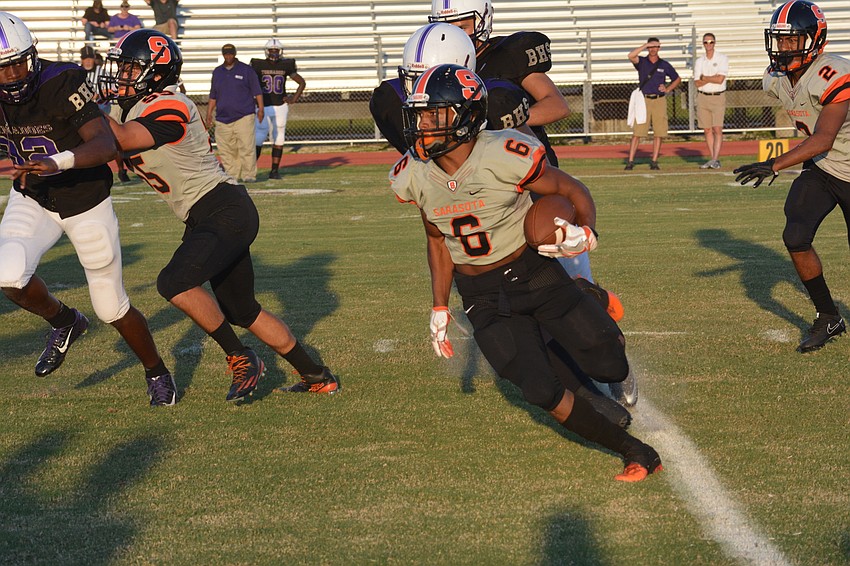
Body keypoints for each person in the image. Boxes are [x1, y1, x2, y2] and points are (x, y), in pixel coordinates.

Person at [390, 64, 662, 481]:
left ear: (465, 115)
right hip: (480, 294)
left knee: (604, 359)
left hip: (534, 272)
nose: (422, 125)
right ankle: (634, 450)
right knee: (539, 389)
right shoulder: (414, 173)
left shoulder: (503, 152)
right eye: (420, 115)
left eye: (434, 115)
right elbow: (435, 237)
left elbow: (571, 190)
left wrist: (586, 231)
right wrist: (440, 305)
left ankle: (598, 313)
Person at [370, 24, 631, 426]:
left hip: (528, 207)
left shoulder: (497, 100)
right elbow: (431, 197)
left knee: (573, 300)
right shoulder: (397, 104)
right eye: (412, 80)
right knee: (528, 343)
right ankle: (587, 400)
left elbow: (536, 157)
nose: (420, 94)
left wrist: (572, 224)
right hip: (475, 232)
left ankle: (602, 326)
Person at [98, 29, 340, 398]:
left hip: (222, 208)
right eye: (123, 68)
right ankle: (318, 377)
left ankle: (240, 356)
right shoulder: (123, 109)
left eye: (131, 68)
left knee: (173, 282)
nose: (122, 76)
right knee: (243, 311)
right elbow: (102, 144)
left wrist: (80, 104)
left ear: (157, 73)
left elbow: (121, 140)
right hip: (206, 215)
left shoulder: (171, 104)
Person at [0, 12, 175, 406]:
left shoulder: (62, 80)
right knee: (9, 276)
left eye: (17, 63)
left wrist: (58, 161)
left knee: (110, 306)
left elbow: (105, 144)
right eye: (2, 68)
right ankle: (65, 322)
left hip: (84, 199)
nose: (12, 75)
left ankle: (156, 371)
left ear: (33, 54)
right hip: (32, 197)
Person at [734, 0, 848, 353]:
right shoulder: (776, 77)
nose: (784, 48)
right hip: (826, 166)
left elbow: (823, 137)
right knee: (795, 235)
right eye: (780, 40)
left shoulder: (833, 73)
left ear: (814, 40)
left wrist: (775, 163)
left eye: (792, 40)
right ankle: (829, 316)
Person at [428, 0, 569, 168]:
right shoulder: (440, 68)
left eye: (461, 28)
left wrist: (504, 120)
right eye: (446, 30)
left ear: (483, 21)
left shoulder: (506, 55)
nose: (453, 38)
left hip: (525, 161)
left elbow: (557, 105)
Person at [206, 43, 264, 184]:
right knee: (226, 149)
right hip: (222, 117)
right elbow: (213, 95)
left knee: (246, 146)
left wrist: (260, 109)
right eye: (226, 54)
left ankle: (249, 174)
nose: (228, 56)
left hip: (244, 114)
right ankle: (232, 174)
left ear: (235, 54)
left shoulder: (246, 70)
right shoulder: (218, 72)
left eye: (231, 54)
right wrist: (209, 113)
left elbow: (257, 91)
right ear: (223, 55)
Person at [250, 38, 306, 180]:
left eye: (276, 50)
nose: (274, 53)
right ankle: (251, 170)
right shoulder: (258, 65)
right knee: (259, 137)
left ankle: (274, 171)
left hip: (280, 106)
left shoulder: (286, 65)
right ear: (266, 51)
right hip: (263, 105)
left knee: (279, 137)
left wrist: (293, 98)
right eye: (271, 50)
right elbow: (249, 82)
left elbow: (301, 82)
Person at [624, 38, 681, 171]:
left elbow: (677, 79)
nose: (653, 49)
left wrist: (667, 89)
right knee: (638, 132)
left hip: (659, 100)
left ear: (659, 48)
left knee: (658, 132)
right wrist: (644, 45)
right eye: (651, 47)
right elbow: (631, 56)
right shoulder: (642, 62)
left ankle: (654, 161)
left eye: (655, 47)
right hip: (643, 100)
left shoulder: (664, 64)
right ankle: (630, 161)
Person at [694, 33, 728, 169]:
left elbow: (720, 79)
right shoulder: (699, 61)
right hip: (703, 96)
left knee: (717, 128)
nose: (708, 45)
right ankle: (713, 157)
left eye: (711, 42)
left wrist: (705, 78)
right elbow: (697, 82)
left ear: (715, 43)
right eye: (706, 42)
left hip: (718, 96)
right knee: (707, 129)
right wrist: (711, 78)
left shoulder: (722, 58)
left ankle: (715, 158)